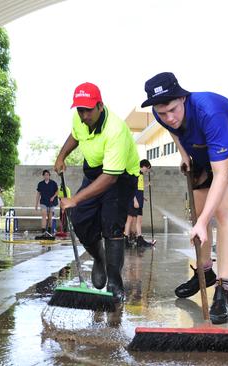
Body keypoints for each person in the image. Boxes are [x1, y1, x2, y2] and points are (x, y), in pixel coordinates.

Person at [141, 72, 228, 324]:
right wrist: (183, 155)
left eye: (173, 110)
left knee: (223, 211)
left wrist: (205, 221)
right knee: (197, 210)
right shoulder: (163, 114)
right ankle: (205, 273)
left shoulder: (209, 112)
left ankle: (224, 288)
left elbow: (221, 175)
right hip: (201, 149)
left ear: (183, 97)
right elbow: (172, 130)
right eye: (163, 113)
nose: (169, 118)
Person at [54, 82, 139, 302]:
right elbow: (75, 135)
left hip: (120, 177)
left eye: (88, 110)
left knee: (111, 225)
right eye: (79, 110)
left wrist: (74, 199)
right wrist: (61, 156)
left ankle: (114, 282)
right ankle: (100, 259)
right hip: (94, 172)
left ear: (100, 105)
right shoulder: (79, 119)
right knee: (80, 219)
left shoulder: (116, 129)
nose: (83, 115)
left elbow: (110, 177)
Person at [124, 159, 153, 247]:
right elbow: (130, 188)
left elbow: (138, 187)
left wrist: (142, 196)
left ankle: (139, 238)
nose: (147, 171)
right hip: (134, 200)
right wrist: (135, 200)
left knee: (139, 220)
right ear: (143, 166)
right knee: (129, 219)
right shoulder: (135, 174)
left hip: (139, 199)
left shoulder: (140, 175)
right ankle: (126, 239)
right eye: (147, 169)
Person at [35, 170, 58, 234]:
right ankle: (43, 231)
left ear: (49, 175)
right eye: (45, 175)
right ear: (43, 176)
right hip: (43, 202)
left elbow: (57, 192)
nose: (46, 176)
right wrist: (36, 204)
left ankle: (50, 231)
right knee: (44, 215)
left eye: (47, 175)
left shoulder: (53, 183)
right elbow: (38, 194)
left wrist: (53, 197)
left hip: (51, 202)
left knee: (50, 217)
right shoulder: (40, 184)